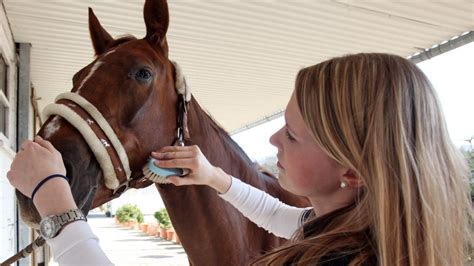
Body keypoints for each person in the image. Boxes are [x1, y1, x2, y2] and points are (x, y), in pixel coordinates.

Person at [8, 53, 473, 265]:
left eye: (291, 135)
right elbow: (284, 217)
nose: (273, 138)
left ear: (350, 170)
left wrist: (56, 207)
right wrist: (214, 177)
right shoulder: (362, 232)